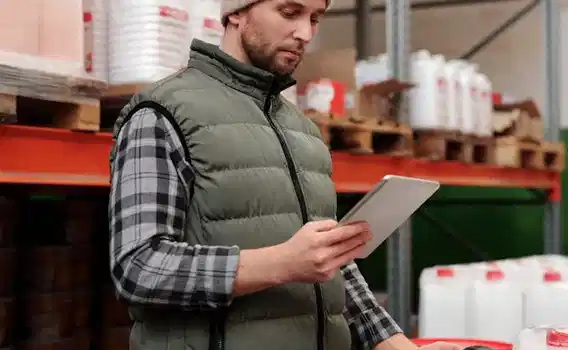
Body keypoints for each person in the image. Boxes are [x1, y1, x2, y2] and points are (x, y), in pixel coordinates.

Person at [108, 0, 463, 349]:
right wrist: (282, 263)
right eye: (290, 13)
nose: (305, 33)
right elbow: (139, 268)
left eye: (315, 18)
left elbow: (331, 262)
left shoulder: (303, 130)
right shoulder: (160, 115)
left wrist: (396, 346)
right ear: (236, 12)